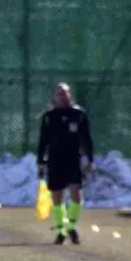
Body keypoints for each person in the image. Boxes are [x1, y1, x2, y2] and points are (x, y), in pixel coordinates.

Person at [36, 82, 94, 245]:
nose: (63, 96)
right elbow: (43, 141)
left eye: (65, 93)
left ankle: (71, 226)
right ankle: (62, 230)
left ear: (70, 95)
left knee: (76, 193)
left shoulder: (79, 114)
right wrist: (41, 162)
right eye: (60, 94)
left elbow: (87, 139)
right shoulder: (49, 116)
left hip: (73, 160)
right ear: (55, 97)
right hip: (55, 161)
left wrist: (90, 159)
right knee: (57, 196)